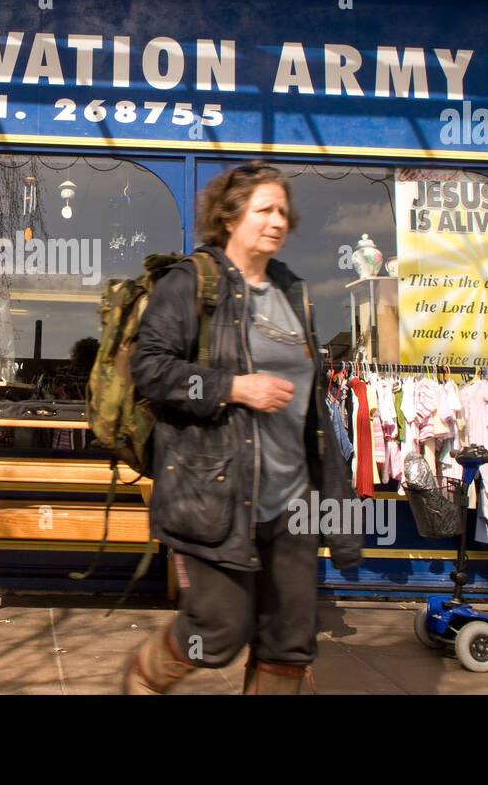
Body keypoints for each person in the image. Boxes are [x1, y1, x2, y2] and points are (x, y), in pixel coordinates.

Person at [125, 161, 363, 695]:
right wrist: (233, 387)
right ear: (230, 218)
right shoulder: (190, 282)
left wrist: (333, 500)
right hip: (214, 490)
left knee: (290, 640)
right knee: (217, 631)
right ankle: (143, 677)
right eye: (264, 210)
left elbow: (312, 409)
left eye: (283, 210)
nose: (277, 220)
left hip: (293, 496)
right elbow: (152, 371)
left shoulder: (292, 291)